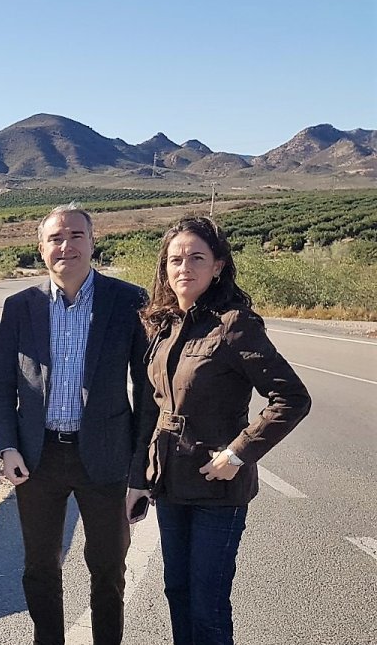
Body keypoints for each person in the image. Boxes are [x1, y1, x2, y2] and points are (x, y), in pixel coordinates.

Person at [132, 216, 310, 645]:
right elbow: (152, 410)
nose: (184, 268)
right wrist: (138, 479)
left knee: (208, 604)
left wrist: (237, 454)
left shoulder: (235, 324)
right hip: (170, 484)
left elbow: (292, 398)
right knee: (177, 591)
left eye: (197, 258)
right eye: (176, 259)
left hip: (217, 487)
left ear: (218, 265)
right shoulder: (164, 324)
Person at [0, 203, 155, 645]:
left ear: (92, 242)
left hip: (104, 456)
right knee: (39, 567)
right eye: (56, 238)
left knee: (107, 568)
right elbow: (1, 384)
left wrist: (140, 469)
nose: (66, 246)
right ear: (41, 248)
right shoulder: (20, 306)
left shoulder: (128, 301)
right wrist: (6, 446)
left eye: (76, 236)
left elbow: (148, 389)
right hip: (37, 456)